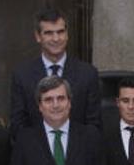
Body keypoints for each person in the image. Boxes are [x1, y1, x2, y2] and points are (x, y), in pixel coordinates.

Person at [10, 8, 100, 138]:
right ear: (38, 36)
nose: (56, 38)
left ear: (67, 34)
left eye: (60, 32)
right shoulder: (22, 75)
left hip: (78, 154)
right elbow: (18, 125)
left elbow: (93, 124)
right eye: (49, 33)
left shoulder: (87, 74)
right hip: (36, 154)